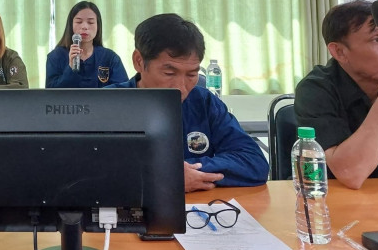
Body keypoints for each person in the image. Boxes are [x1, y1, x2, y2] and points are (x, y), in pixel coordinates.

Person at [110, 13, 268, 192]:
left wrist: (183, 171)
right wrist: (160, 174)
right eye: (169, 73)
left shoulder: (205, 103)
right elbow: (91, 172)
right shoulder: (107, 105)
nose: (181, 87)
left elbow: (254, 163)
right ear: (139, 61)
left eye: (192, 74)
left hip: (199, 206)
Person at [294, 0, 378, 189]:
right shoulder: (316, 90)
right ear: (340, 52)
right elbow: (351, 173)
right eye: (377, 39)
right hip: (335, 199)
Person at [45, 1, 128, 88]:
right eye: (79, 22)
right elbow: (51, 93)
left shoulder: (110, 58)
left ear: (98, 26)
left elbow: (122, 91)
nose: (84, 27)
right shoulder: (55, 57)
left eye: (90, 22)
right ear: (71, 25)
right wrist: (70, 67)